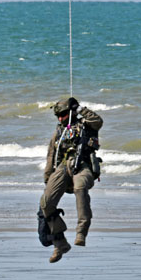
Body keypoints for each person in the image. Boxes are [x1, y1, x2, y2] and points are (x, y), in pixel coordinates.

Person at [38, 97, 103, 263]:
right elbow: (51, 155)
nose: (61, 118)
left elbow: (98, 121)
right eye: (58, 116)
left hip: (83, 165)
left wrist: (80, 109)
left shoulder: (85, 125)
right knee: (46, 203)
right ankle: (59, 243)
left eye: (64, 114)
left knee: (80, 187)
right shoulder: (59, 131)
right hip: (63, 167)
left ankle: (81, 231)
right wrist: (48, 177)